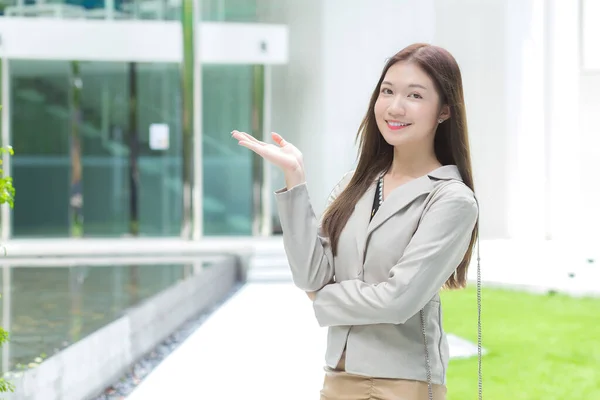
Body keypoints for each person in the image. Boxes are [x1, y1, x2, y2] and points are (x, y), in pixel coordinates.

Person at [232, 42, 480, 400]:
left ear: (444, 110)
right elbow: (312, 276)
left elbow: (398, 301)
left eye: (415, 95)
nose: (395, 107)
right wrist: (295, 179)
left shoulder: (451, 199)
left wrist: (322, 299)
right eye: (387, 91)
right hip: (337, 378)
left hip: (402, 385)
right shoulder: (357, 184)